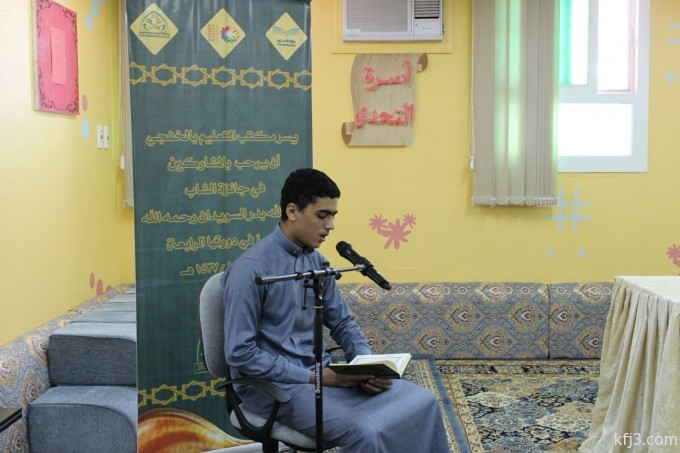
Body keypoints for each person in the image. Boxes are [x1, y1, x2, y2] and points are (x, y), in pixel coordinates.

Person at [221, 168, 449, 452]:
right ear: (292, 211)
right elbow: (240, 353)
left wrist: (366, 366)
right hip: (276, 388)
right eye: (322, 215)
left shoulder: (318, 263)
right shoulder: (250, 270)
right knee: (364, 431)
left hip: (321, 376)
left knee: (423, 402)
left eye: (333, 216)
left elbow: (343, 324)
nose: (330, 225)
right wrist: (314, 377)